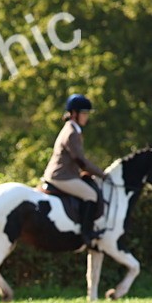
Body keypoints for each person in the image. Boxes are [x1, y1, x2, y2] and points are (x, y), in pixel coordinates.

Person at [42, 93, 107, 246]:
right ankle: (86, 234)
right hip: (61, 176)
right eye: (84, 113)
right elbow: (81, 160)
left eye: (87, 113)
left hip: (66, 174)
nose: (86, 117)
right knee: (91, 195)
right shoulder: (71, 132)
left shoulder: (73, 129)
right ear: (74, 114)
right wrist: (102, 174)